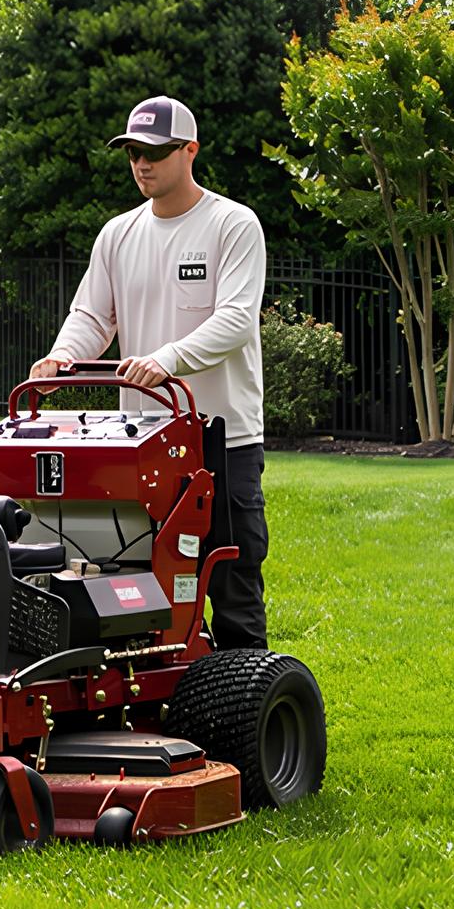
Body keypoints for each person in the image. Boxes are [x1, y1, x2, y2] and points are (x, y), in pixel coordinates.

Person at [31, 95, 270, 648]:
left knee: (229, 578)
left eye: (157, 152)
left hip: (222, 439)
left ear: (191, 151)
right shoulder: (117, 235)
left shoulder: (232, 225)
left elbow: (235, 320)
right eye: (134, 152)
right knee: (142, 581)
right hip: (141, 444)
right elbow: (92, 315)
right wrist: (62, 357)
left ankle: (245, 701)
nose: (143, 164)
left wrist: (165, 361)